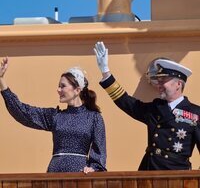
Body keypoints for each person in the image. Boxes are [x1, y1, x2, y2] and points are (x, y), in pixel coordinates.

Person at [93, 41, 200, 170]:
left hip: (177, 174)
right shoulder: (155, 108)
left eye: (163, 81)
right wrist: (106, 72)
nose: (159, 85)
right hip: (150, 171)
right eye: (158, 80)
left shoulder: (195, 113)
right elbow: (127, 102)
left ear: (178, 84)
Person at [0, 57, 106, 173]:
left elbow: (99, 151)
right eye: (59, 86)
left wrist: (94, 168)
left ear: (77, 90)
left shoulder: (94, 118)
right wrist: (1, 80)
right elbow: (23, 112)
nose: (58, 90)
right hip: (54, 174)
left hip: (80, 175)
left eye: (62, 86)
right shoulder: (56, 116)